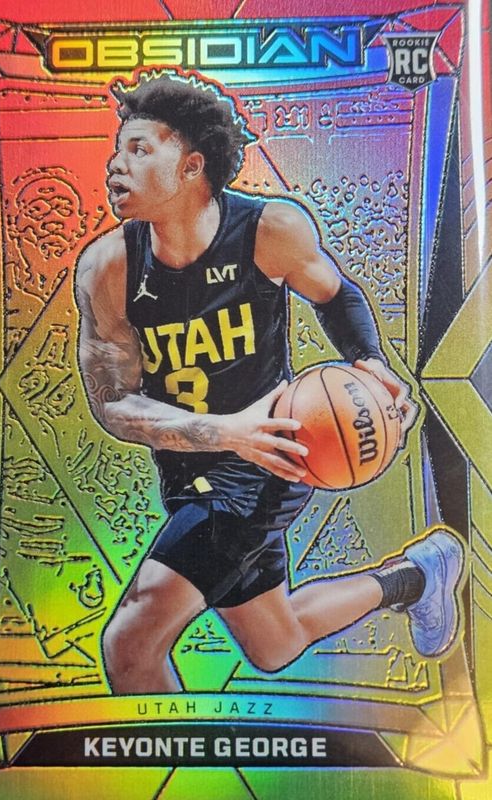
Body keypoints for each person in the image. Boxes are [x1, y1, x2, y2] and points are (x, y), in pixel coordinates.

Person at [75, 71, 465, 695]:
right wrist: (224, 431)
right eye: (118, 149)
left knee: (132, 641)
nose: (114, 165)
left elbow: (335, 295)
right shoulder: (108, 267)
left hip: (272, 459)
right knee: (275, 642)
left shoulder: (269, 230)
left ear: (192, 166)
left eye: (138, 149)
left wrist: (371, 364)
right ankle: (416, 577)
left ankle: (168, 760)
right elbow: (114, 404)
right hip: (194, 463)